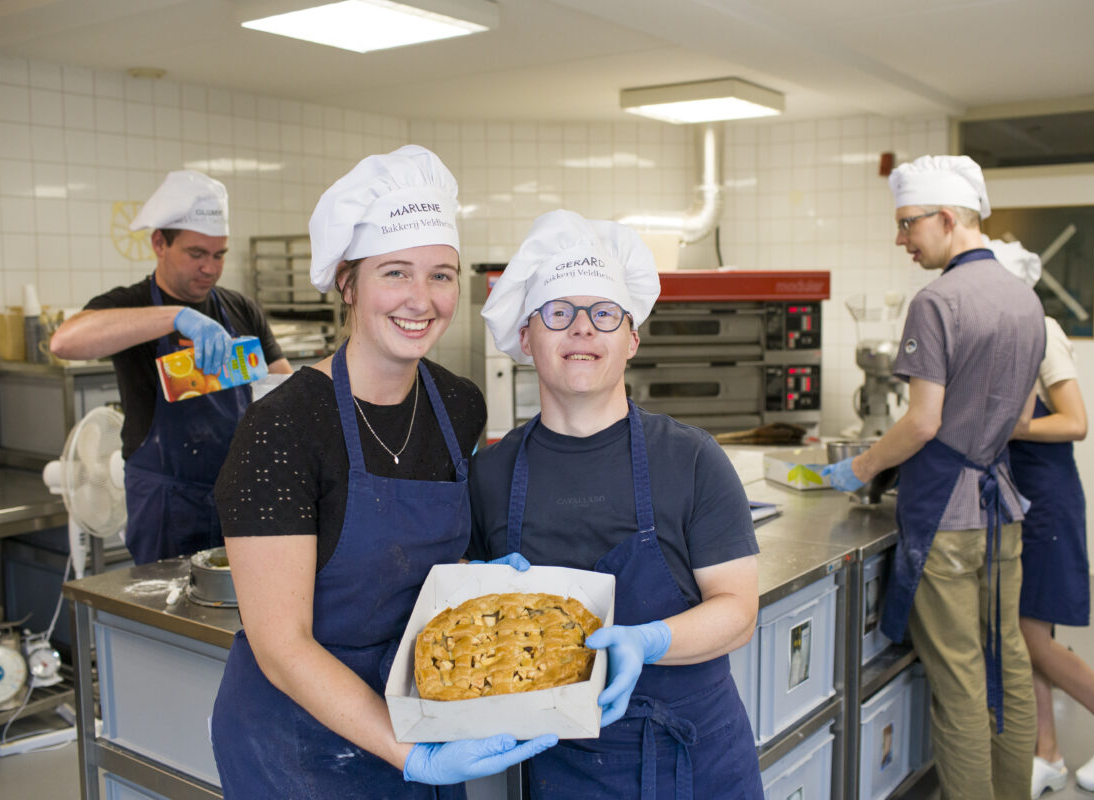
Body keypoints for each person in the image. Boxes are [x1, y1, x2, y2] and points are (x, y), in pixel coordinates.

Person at [209, 146, 555, 798]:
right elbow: (281, 647)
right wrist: (409, 752)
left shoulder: (459, 404)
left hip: (420, 705)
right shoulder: (281, 428)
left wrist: (479, 584)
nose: (422, 300)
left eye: (441, 275)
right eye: (396, 273)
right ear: (348, 283)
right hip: (298, 741)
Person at [472, 209, 765, 799]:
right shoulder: (490, 474)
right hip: (562, 768)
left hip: (695, 759)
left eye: (603, 313)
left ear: (631, 338)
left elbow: (738, 610)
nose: (582, 329)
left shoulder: (692, 458)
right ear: (526, 339)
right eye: (559, 313)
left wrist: (649, 640)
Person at [822, 155, 1046, 799]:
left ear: (946, 219)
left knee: (960, 681)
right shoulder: (1024, 298)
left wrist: (861, 466)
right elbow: (1024, 416)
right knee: (1010, 665)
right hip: (1001, 507)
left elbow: (921, 423)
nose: (901, 241)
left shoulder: (938, 300)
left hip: (947, 519)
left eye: (906, 225)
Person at [50, 170, 291, 565]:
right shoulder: (129, 305)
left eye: (219, 255)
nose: (210, 269)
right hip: (167, 504)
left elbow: (280, 387)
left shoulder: (240, 308)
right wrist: (175, 316)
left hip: (240, 495)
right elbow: (65, 341)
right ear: (159, 243)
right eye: (197, 254)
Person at [989, 239, 1094, 798]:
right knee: (1027, 629)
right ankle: (1048, 754)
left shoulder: (1043, 331)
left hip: (1048, 499)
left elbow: (1075, 422)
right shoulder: (1004, 335)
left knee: (1032, 638)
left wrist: (1005, 429)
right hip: (1018, 496)